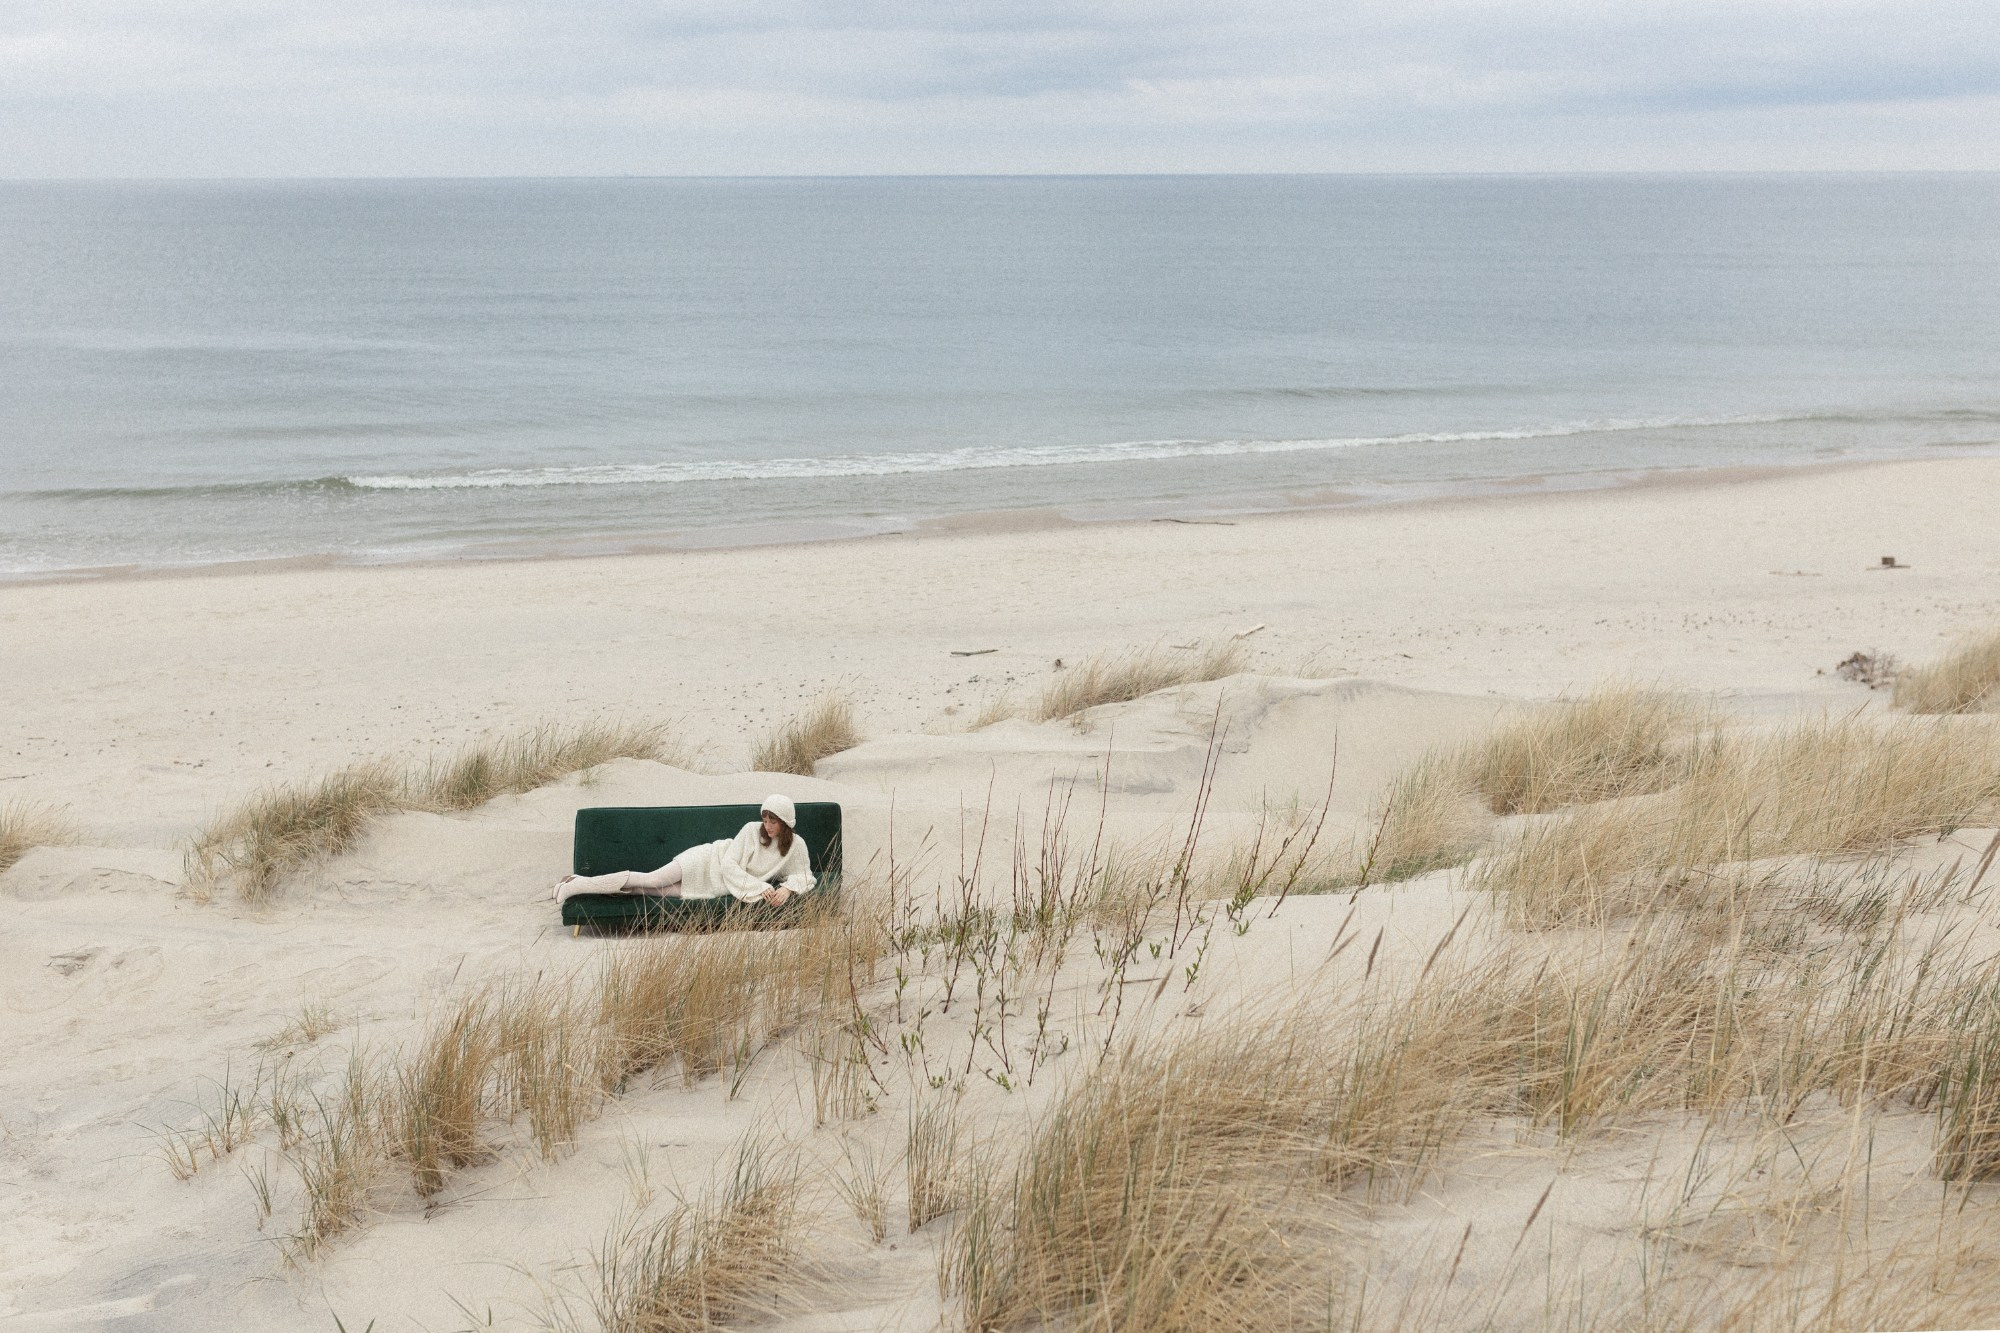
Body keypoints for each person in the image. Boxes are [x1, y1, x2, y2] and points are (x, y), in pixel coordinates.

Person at [553, 795, 814, 908]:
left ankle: (580, 884)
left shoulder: (796, 845)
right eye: (765, 819)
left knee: (648, 891)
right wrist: (760, 888)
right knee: (653, 879)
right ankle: (576, 886)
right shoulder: (750, 829)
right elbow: (729, 866)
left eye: (773, 821)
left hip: (714, 887)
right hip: (706, 861)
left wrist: (787, 888)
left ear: (785, 822)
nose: (767, 826)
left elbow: (805, 875)